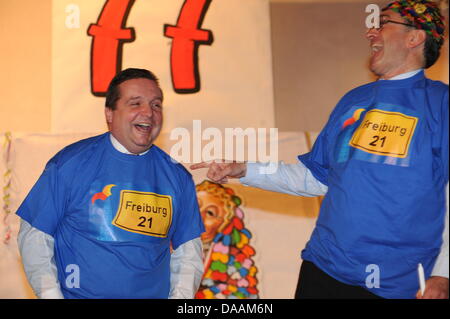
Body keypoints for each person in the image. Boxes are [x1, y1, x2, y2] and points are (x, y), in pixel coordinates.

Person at [191, 0, 449, 299]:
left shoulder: (441, 106)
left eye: (383, 23)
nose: (370, 33)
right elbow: (314, 177)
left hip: (398, 284)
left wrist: (443, 274)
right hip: (325, 269)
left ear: (415, 37)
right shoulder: (354, 101)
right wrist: (246, 170)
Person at [17, 68, 205, 299]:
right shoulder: (70, 164)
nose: (148, 112)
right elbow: (35, 235)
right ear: (109, 113)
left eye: (156, 105)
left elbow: (188, 253)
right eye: (136, 103)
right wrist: (50, 295)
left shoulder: (177, 177)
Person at [195, 180, 259, 299]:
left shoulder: (235, 261)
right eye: (195, 206)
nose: (199, 216)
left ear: (223, 225)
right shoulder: (161, 248)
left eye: (210, 213)